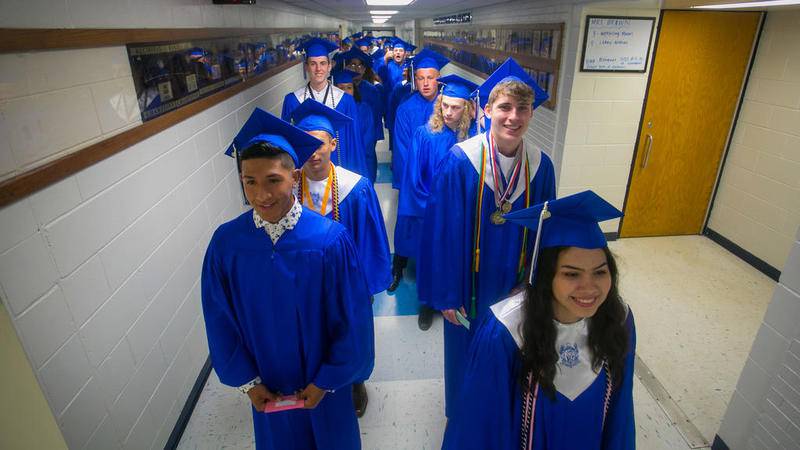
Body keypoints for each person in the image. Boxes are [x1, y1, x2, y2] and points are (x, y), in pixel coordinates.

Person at [202, 108, 374, 449]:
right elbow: (219, 319)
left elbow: (352, 319)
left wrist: (328, 379)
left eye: (272, 180)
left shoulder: (329, 240)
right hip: (267, 383)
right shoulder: (227, 244)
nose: (261, 194)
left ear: (295, 176)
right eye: (249, 182)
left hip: (325, 384)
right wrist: (248, 382)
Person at [443, 190, 636, 449]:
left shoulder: (618, 319)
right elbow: (480, 425)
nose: (589, 288)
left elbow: (621, 411)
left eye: (600, 272)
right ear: (546, 276)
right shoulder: (505, 331)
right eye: (571, 274)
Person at [418, 58, 556, 418]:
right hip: (468, 286)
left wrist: (536, 285)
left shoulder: (541, 165)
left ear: (531, 113)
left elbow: (546, 232)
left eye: (522, 109)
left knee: (512, 355)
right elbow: (440, 232)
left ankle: (504, 416)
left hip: (516, 284)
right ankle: (464, 419)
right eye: (505, 107)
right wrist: (446, 294)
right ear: (488, 110)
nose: (513, 117)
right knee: (466, 356)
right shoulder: (461, 161)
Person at [290, 99, 391, 417]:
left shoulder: (355, 189)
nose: (315, 152)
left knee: (353, 330)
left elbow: (372, 243)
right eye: (307, 145)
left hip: (348, 282)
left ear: (334, 143)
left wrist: (363, 289)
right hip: (304, 282)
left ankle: (356, 381)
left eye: (321, 144)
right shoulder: (288, 191)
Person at [397, 75, 479, 329]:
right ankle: (428, 304)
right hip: (431, 212)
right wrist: (434, 208)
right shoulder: (425, 135)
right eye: (445, 106)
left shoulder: (473, 138)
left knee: (457, 258)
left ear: (466, 108)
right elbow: (413, 179)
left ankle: (455, 301)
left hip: (462, 213)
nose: (449, 112)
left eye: (456, 107)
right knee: (430, 258)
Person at [388, 49, 449, 293]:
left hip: (440, 184)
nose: (425, 83)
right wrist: (414, 183)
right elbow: (402, 151)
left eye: (430, 77)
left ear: (438, 79)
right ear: (415, 78)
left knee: (435, 230)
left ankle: (431, 274)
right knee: (406, 223)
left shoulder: (447, 107)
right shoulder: (405, 109)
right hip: (412, 181)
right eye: (421, 77)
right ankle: (398, 265)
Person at [281, 37, 368, 178]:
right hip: (306, 172)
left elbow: (354, 143)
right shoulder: (292, 101)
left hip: (340, 170)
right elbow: (288, 143)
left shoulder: (345, 101)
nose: (318, 69)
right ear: (306, 67)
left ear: (329, 66)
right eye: (313, 64)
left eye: (322, 63)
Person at [333, 69, 379, 183]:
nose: (345, 92)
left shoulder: (364, 109)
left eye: (349, 87)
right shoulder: (331, 113)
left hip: (361, 161)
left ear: (354, 89)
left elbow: (368, 142)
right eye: (341, 88)